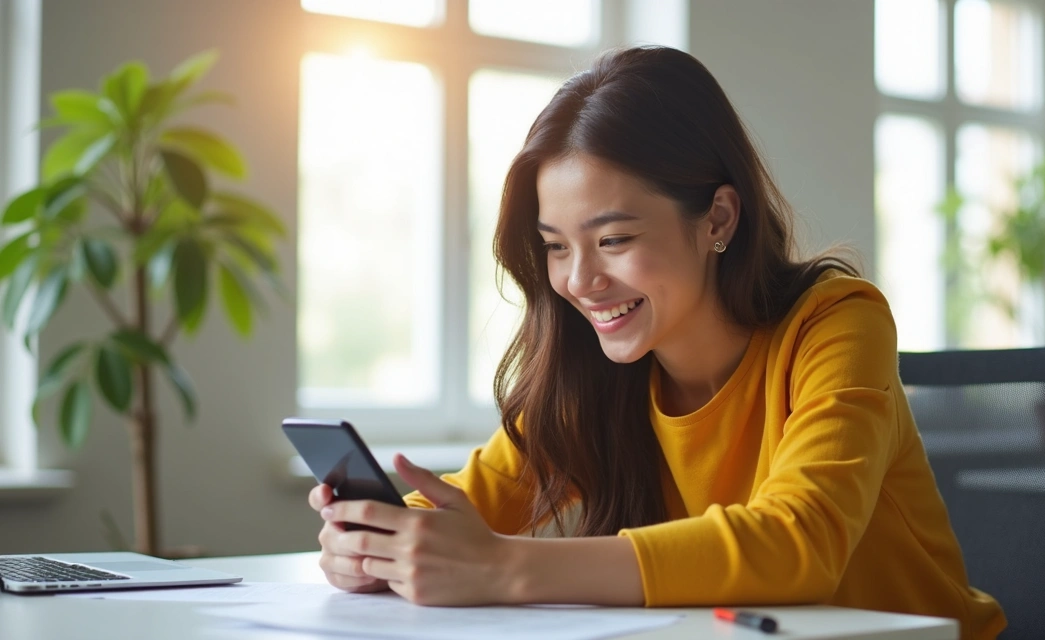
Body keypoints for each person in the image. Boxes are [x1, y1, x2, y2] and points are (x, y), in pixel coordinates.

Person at [307, 45, 1007, 639]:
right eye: (556, 246)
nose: (579, 281)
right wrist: (381, 545)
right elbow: (468, 499)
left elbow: (799, 541)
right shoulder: (603, 371)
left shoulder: (837, 322)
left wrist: (502, 566)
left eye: (614, 239)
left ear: (718, 219)